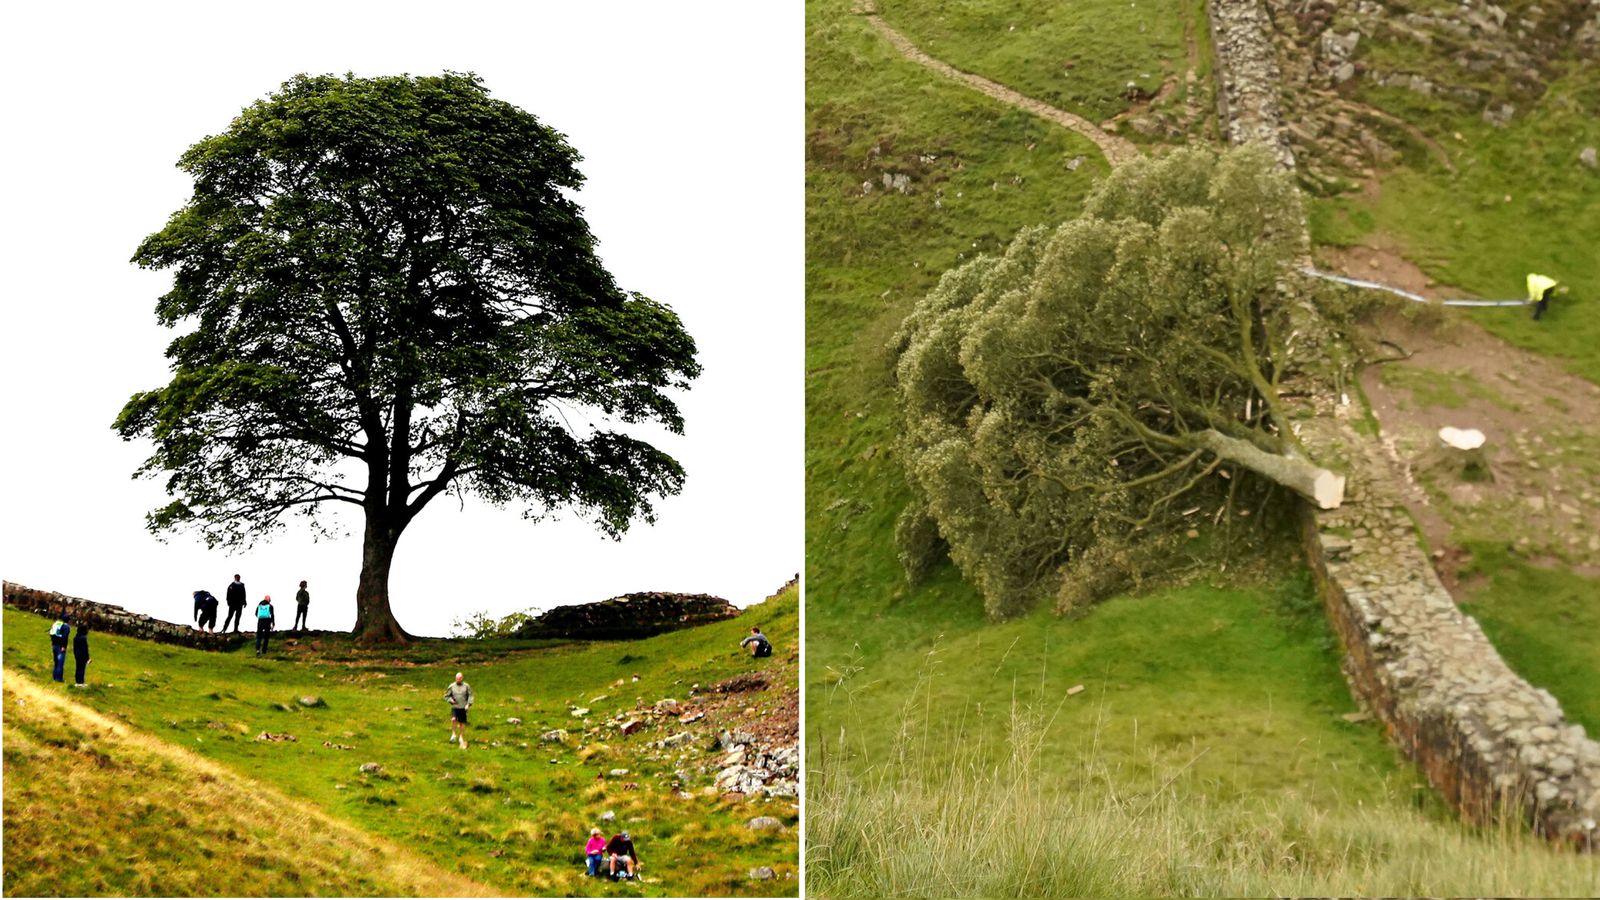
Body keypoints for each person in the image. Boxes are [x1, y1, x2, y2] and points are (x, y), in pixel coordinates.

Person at [444, 672, 474, 750]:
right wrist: (451, 700)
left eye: (460, 678)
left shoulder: (466, 686)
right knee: (453, 719)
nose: (458, 680)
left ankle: (461, 736)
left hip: (463, 707)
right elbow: (446, 696)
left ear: (462, 678)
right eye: (457, 678)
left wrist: (468, 704)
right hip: (455, 707)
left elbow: (470, 695)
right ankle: (453, 734)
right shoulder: (452, 686)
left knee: (462, 723)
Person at [49, 614, 71, 683]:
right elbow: (64, 637)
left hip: (54, 645)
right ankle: (58, 679)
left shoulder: (57, 624)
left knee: (56, 663)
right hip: (60, 647)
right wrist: (64, 646)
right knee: (60, 664)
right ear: (68, 620)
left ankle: (54, 677)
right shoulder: (66, 627)